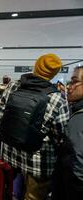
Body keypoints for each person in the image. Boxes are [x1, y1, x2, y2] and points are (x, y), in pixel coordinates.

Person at [0, 54, 69, 200]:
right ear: (54, 73)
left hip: (10, 154)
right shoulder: (57, 98)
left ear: (36, 66)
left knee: (7, 193)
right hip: (39, 164)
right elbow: (61, 137)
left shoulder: (13, 86)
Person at [52, 66, 83, 200]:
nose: (69, 87)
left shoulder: (79, 118)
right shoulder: (75, 112)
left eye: (74, 81)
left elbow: (78, 168)